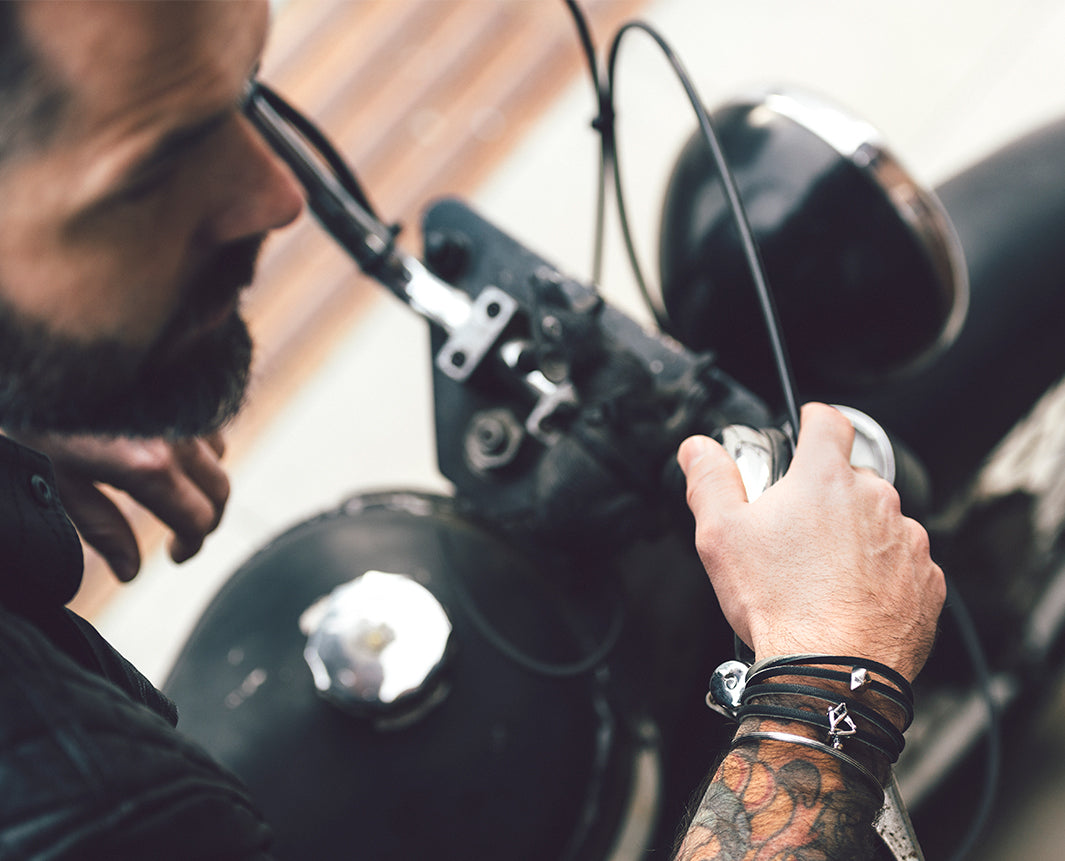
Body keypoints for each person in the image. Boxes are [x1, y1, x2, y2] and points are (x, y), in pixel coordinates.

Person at [0, 1, 945, 859]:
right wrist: (828, 678)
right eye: (153, 172)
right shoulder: (93, 816)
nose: (279, 197)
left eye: (246, 91)